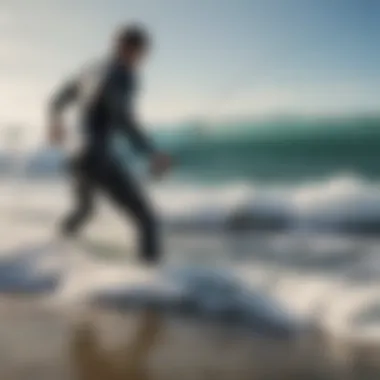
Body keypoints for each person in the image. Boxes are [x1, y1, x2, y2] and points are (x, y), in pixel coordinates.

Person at [47, 24, 172, 264]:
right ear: (129, 48)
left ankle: (52, 253)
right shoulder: (122, 75)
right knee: (147, 219)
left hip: (76, 156)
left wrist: (55, 122)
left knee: (83, 212)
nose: (141, 59)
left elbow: (58, 98)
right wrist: (152, 153)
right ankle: (152, 284)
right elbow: (124, 120)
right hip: (96, 156)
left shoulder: (91, 69)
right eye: (141, 53)